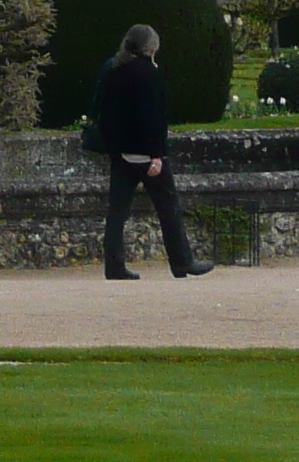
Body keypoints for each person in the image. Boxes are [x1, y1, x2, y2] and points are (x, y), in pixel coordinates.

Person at [90, 24, 214, 281]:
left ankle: (113, 266)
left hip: (121, 154)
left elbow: (101, 110)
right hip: (146, 155)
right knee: (169, 208)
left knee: (117, 213)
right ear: (152, 48)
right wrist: (157, 154)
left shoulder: (112, 68)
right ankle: (182, 262)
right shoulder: (148, 73)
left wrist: (113, 147)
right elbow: (154, 118)